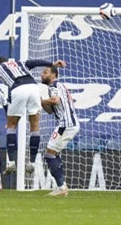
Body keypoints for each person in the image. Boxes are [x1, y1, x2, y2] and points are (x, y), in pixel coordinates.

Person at [40, 66, 79, 196]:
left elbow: (55, 101)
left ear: (54, 75)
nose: (42, 75)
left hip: (65, 125)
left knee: (49, 154)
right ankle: (61, 186)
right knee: (53, 154)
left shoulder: (53, 86)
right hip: (67, 124)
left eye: (45, 72)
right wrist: (42, 103)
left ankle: (62, 187)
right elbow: (51, 110)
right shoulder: (60, 86)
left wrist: (39, 100)